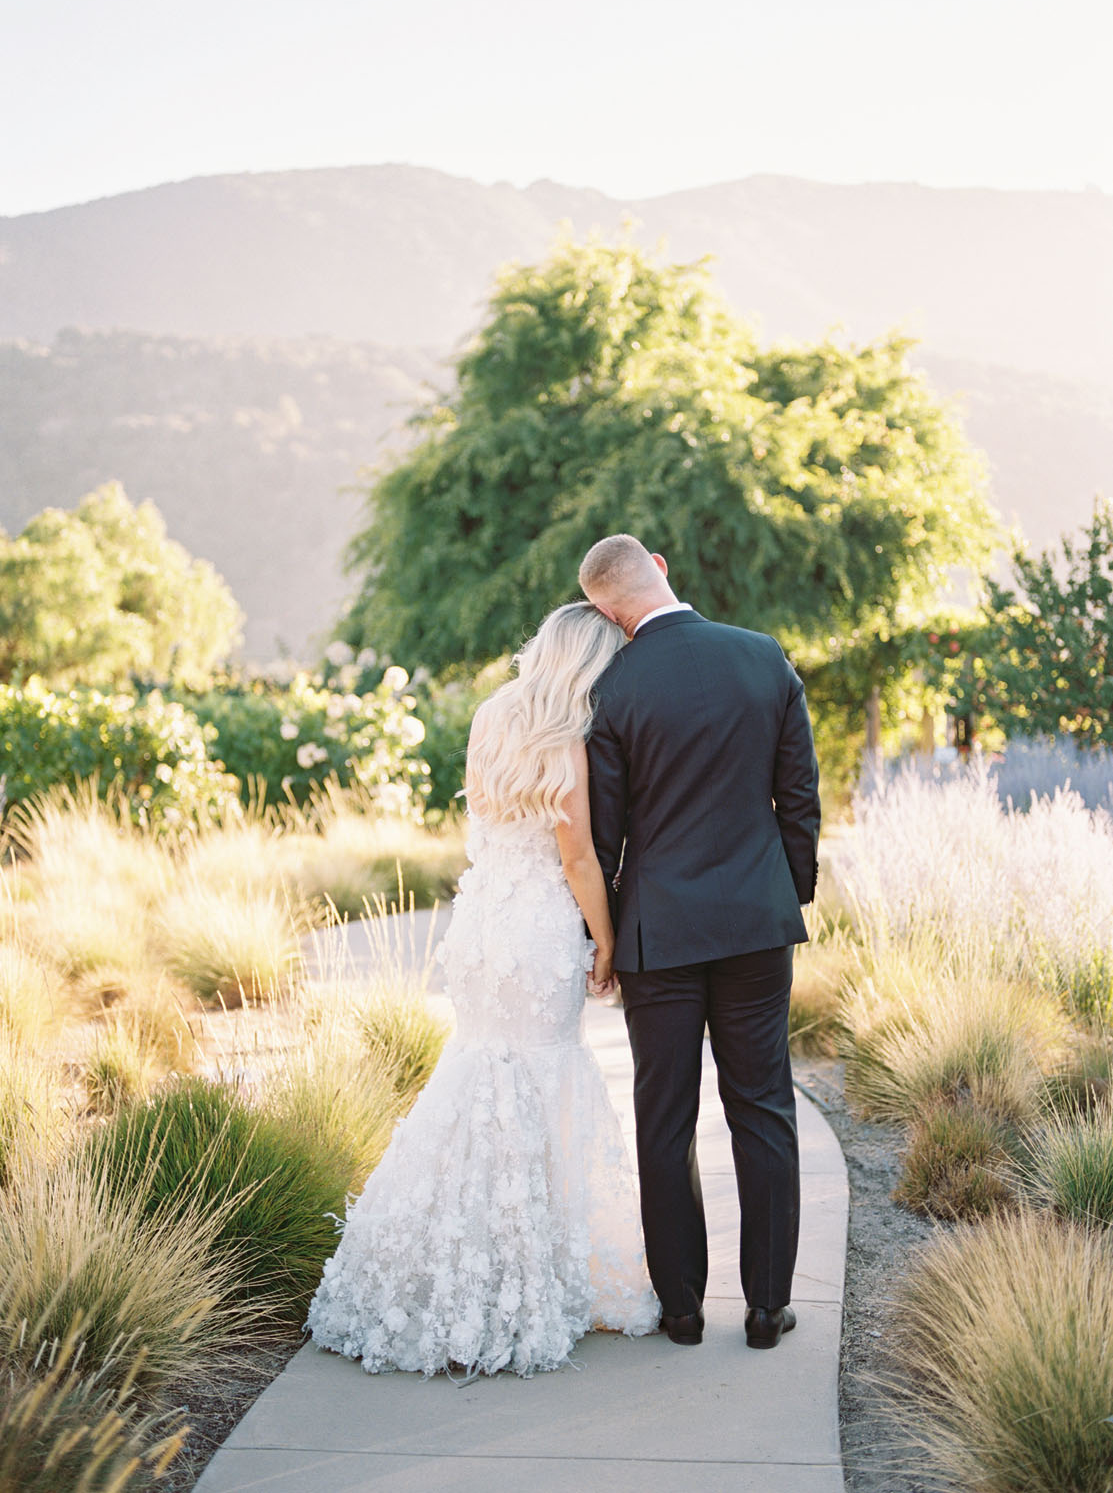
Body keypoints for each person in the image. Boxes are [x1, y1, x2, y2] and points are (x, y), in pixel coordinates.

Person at [305, 601, 659, 1379]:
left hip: (480, 924)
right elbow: (576, 861)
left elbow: (482, 824)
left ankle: (434, 1268)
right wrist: (604, 941)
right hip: (535, 932)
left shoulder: (490, 716)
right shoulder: (566, 740)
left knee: (472, 1078)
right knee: (542, 1079)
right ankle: (526, 1280)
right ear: (585, 665)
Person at [578, 534, 821, 1351]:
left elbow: (602, 835)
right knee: (762, 1107)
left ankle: (680, 1309)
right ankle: (765, 1309)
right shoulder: (762, 658)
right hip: (757, 923)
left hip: (659, 933)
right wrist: (788, 895)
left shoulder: (611, 688)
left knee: (665, 1116)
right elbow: (798, 799)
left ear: (607, 613)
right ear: (662, 572)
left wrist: (601, 939)